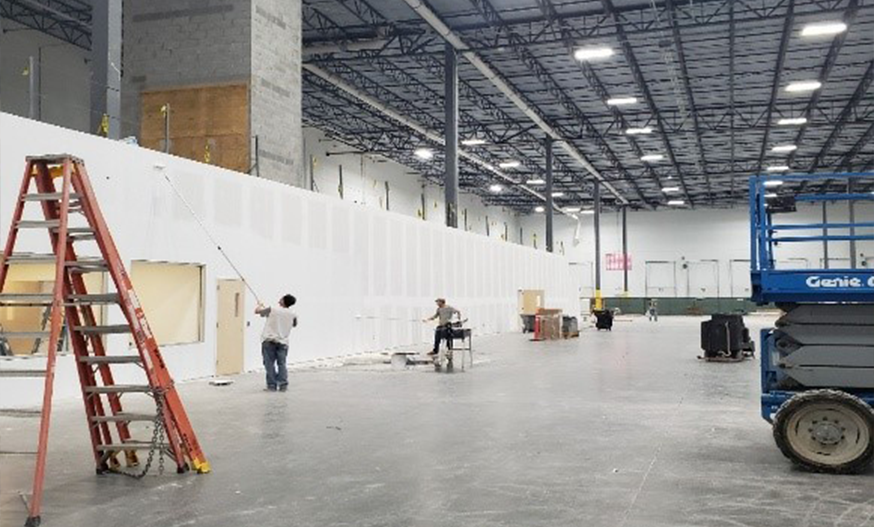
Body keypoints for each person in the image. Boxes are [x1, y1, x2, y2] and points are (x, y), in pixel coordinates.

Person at [255, 294, 298, 392]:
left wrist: (260, 305)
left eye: (281, 298)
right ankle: (283, 385)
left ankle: (272, 386)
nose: (279, 299)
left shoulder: (272, 309)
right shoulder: (293, 314)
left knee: (269, 364)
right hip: (283, 342)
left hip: (269, 341)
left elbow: (257, 311)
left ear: (283, 301)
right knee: (282, 364)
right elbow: (294, 324)